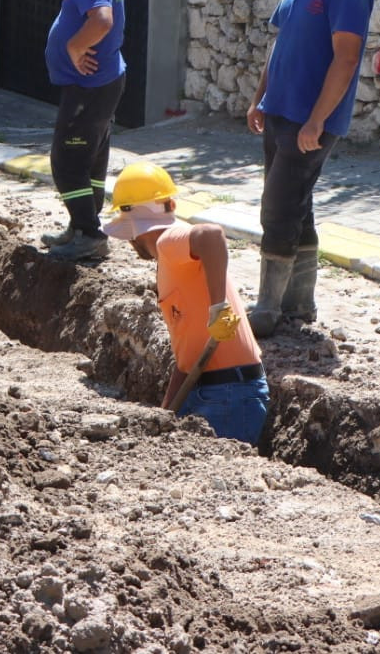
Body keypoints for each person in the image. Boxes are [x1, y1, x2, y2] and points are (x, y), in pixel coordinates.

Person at [245, 0, 375, 337]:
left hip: (309, 121)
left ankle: (268, 308)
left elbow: (346, 58)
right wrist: (260, 98)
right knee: (295, 204)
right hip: (280, 113)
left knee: (278, 208)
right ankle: (298, 304)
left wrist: (317, 121)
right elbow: (281, 44)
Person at [103, 162, 269, 445]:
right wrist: (165, 413)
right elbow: (186, 359)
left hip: (230, 393)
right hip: (208, 389)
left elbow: (212, 235)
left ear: (134, 228)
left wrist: (218, 308)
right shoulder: (173, 262)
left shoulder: (168, 242)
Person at [39, 0, 126, 262]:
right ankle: (81, 225)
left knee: (67, 160)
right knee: (90, 157)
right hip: (98, 84)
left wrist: (74, 47)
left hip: (89, 87)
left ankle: (89, 234)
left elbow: (102, 20)